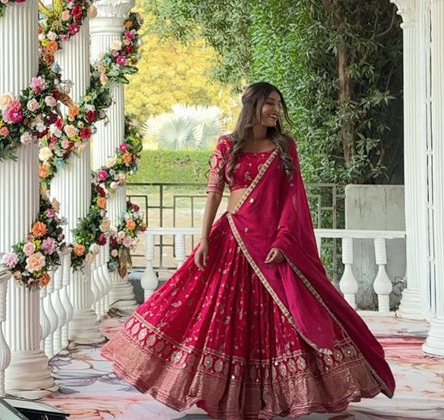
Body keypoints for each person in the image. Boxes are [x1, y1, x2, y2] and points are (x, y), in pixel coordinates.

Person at [102, 82, 396, 419]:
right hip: (233, 238)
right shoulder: (228, 145)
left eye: (277, 104)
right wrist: (205, 239)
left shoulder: (284, 146)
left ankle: (283, 396)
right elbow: (214, 192)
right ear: (252, 105)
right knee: (216, 318)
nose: (275, 110)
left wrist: (284, 240)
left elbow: (292, 198)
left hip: (272, 244)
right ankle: (226, 395)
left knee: (284, 318)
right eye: (269, 103)